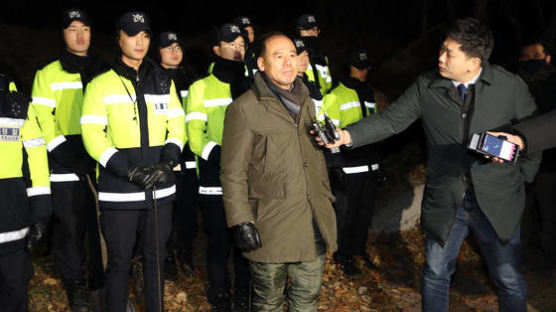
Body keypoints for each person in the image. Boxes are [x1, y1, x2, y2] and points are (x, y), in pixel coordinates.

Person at [318, 18, 540, 312]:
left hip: (497, 200)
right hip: (446, 198)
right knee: (436, 274)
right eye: (442, 49)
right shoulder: (428, 85)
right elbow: (391, 119)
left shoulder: (510, 86)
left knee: (508, 277)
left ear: (474, 62)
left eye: (450, 53)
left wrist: (523, 177)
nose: (440, 57)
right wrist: (347, 136)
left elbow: (533, 133)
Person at [220, 32, 337, 312]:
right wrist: (240, 221)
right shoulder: (244, 109)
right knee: (268, 303)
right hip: (270, 227)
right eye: (278, 56)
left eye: (292, 55)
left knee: (307, 301)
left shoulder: (308, 101)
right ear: (261, 63)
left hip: (312, 225)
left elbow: (312, 157)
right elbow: (232, 171)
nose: (288, 62)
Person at [80, 11, 185, 312]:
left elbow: (178, 125)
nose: (139, 41)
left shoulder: (164, 82)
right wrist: (127, 171)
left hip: (159, 191)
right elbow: (92, 134)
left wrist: (167, 162)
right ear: (119, 38)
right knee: (119, 262)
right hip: (119, 190)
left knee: (155, 260)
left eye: (145, 35)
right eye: (132, 34)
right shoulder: (100, 84)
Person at [30, 8, 105, 312]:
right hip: (64, 165)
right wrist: (66, 152)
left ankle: (100, 283)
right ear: (63, 34)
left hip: (99, 160)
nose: (80, 35)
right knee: (71, 230)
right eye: (73, 28)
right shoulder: (47, 74)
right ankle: (75, 286)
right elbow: (42, 119)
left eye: (85, 28)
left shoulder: (103, 70)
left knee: (100, 227)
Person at [185, 23, 251, 311]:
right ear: (216, 49)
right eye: (231, 43)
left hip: (251, 176)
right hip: (215, 176)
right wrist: (223, 154)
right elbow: (194, 135)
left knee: (248, 240)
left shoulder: (254, 84)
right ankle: (220, 291)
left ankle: (246, 293)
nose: (238, 48)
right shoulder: (200, 87)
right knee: (219, 238)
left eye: (241, 44)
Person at [323, 49, 380, 276]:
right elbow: (329, 136)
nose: (364, 71)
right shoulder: (335, 96)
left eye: (366, 67)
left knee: (364, 214)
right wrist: (335, 165)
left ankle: (358, 250)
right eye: (359, 67)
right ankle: (342, 255)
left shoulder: (369, 93)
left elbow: (375, 130)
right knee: (346, 215)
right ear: (350, 68)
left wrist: (379, 163)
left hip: (369, 165)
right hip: (348, 167)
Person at [0, 73, 51, 312]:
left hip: (11, 218)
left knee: (14, 285)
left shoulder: (16, 104)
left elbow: (36, 157)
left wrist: (40, 211)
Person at [155, 31, 199, 280]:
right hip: (165, 156)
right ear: (158, 52)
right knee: (166, 212)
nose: (174, 52)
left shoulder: (192, 80)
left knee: (188, 210)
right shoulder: (153, 80)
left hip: (190, 155)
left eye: (178, 46)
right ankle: (167, 256)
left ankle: (186, 253)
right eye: (168, 47)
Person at [517, 40, 556, 280]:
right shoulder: (514, 86)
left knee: (550, 215)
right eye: (528, 57)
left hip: (550, 164)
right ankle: (516, 263)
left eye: (538, 55)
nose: (534, 60)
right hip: (520, 160)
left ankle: (551, 262)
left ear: (548, 57)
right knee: (521, 215)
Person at [297, 13, 332, 95]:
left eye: (315, 29)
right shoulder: (293, 54)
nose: (312, 33)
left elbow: (328, 84)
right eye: (307, 30)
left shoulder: (322, 56)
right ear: (299, 31)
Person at [294, 37, 323, 117]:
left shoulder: (309, 84)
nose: (304, 59)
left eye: (306, 55)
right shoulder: (288, 88)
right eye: (298, 55)